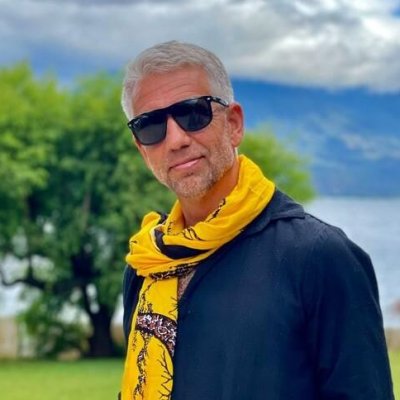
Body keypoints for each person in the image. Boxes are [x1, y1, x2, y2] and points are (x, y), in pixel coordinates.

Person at [118, 40, 394, 400]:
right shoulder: (148, 264)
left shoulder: (318, 257)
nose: (175, 139)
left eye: (193, 114)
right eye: (151, 126)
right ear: (142, 150)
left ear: (233, 124)